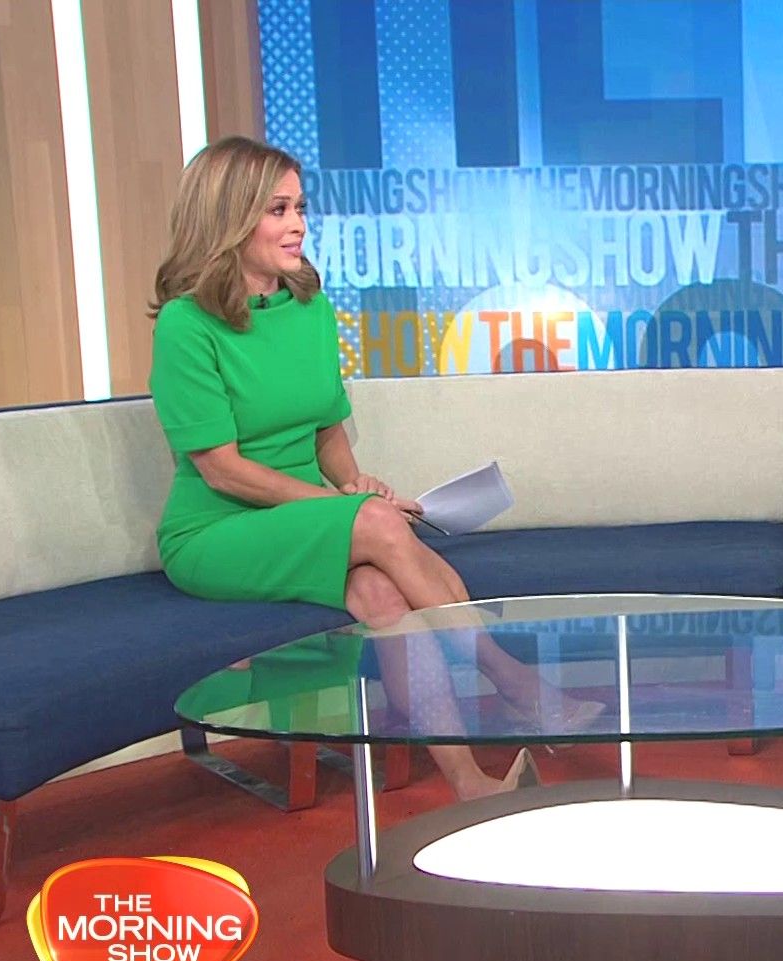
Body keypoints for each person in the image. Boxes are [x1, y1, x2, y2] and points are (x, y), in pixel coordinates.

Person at [148, 136, 591, 800]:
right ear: (229, 219)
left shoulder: (308, 307)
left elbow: (326, 426)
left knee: (382, 595)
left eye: (300, 207)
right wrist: (346, 509)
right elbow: (223, 472)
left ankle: (471, 782)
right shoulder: (187, 326)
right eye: (277, 210)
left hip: (301, 519)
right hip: (215, 531)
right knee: (379, 525)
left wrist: (351, 484)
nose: (298, 225)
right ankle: (516, 682)